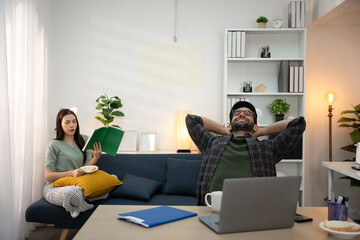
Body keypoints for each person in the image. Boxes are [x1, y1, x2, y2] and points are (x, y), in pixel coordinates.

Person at [186, 101, 306, 205]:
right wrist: (224, 130)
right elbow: (191, 120)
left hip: (254, 212)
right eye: (237, 114)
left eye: (248, 114)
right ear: (230, 124)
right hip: (213, 210)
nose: (242, 114)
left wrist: (261, 131)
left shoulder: (267, 149)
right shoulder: (212, 143)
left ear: (254, 125)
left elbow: (298, 124)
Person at [44, 108, 103, 218]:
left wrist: (96, 157)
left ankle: (80, 201)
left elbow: (85, 168)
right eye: (67, 122)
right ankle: (82, 204)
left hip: (78, 184)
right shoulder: (53, 144)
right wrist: (72, 173)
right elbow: (48, 175)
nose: (72, 125)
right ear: (60, 125)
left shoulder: (84, 139)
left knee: (111, 179)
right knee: (74, 192)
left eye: (74, 121)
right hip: (55, 187)